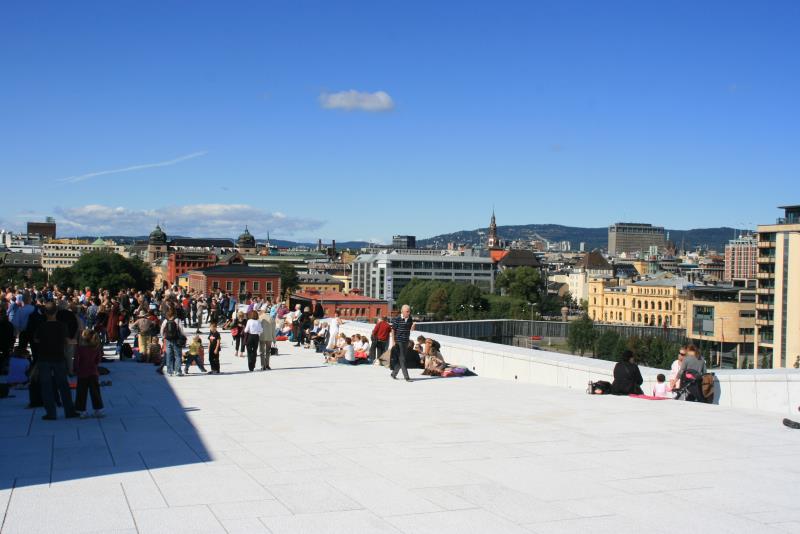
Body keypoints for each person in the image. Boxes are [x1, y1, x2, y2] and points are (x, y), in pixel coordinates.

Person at [33, 302, 78, 420]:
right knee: (63, 385)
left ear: (45, 313)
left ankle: (51, 413)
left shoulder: (41, 326)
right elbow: (67, 341)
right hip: (58, 358)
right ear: (56, 312)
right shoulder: (62, 325)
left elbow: (36, 340)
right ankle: (69, 411)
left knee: (46, 387)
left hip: (44, 358)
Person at [73, 330, 104, 418]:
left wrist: (75, 369)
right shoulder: (96, 348)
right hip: (93, 373)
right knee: (95, 392)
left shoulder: (79, 349)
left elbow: (76, 361)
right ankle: (98, 410)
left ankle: (82, 411)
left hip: (82, 373)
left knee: (81, 392)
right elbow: (98, 360)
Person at [390, 304, 415, 382]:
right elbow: (393, 330)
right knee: (403, 359)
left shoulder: (410, 318)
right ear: (402, 311)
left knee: (401, 359)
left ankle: (393, 374)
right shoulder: (397, 319)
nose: (408, 313)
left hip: (406, 341)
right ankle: (407, 377)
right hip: (399, 341)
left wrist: (413, 326)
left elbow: (411, 329)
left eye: (409, 311)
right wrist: (393, 341)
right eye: (407, 311)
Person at [160, 311, 186, 377]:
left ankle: (169, 372)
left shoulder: (165, 320)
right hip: (176, 339)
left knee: (169, 356)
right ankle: (177, 371)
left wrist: (163, 337)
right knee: (178, 356)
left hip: (168, 339)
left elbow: (162, 329)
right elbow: (181, 329)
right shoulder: (177, 320)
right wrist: (183, 337)